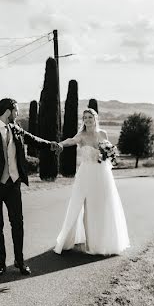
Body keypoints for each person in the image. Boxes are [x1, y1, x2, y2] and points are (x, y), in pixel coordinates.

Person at [0, 98, 62, 275]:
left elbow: (33, 140)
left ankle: (19, 261)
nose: (18, 114)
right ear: (9, 111)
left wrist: (51, 145)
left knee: (17, 223)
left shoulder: (16, 129)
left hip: (13, 185)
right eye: (16, 110)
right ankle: (1, 263)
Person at [53, 108, 130, 255]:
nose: (87, 120)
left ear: (95, 119)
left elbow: (109, 152)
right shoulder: (81, 135)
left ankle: (104, 241)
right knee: (87, 207)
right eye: (85, 117)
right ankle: (91, 244)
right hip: (86, 175)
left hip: (102, 175)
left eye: (90, 117)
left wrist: (109, 154)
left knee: (103, 206)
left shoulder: (103, 134)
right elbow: (71, 140)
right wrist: (60, 144)